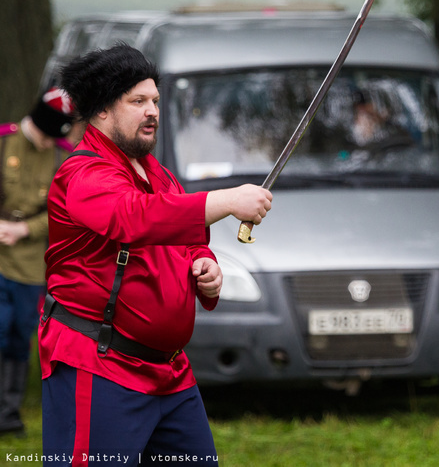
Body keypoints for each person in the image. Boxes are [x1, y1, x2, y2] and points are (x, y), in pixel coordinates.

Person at [39, 43, 273, 465]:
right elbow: (134, 217)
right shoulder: (83, 173)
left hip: (170, 374)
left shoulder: (158, 174)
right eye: (138, 101)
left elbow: (187, 237)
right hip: (100, 364)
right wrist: (227, 199)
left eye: (156, 101)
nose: (153, 111)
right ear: (102, 110)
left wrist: (206, 265)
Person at [0, 88, 75, 435]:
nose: (49, 144)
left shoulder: (63, 157)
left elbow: (64, 210)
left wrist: (24, 229)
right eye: (47, 135)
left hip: (32, 265)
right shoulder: (4, 143)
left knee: (19, 335)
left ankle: (8, 413)